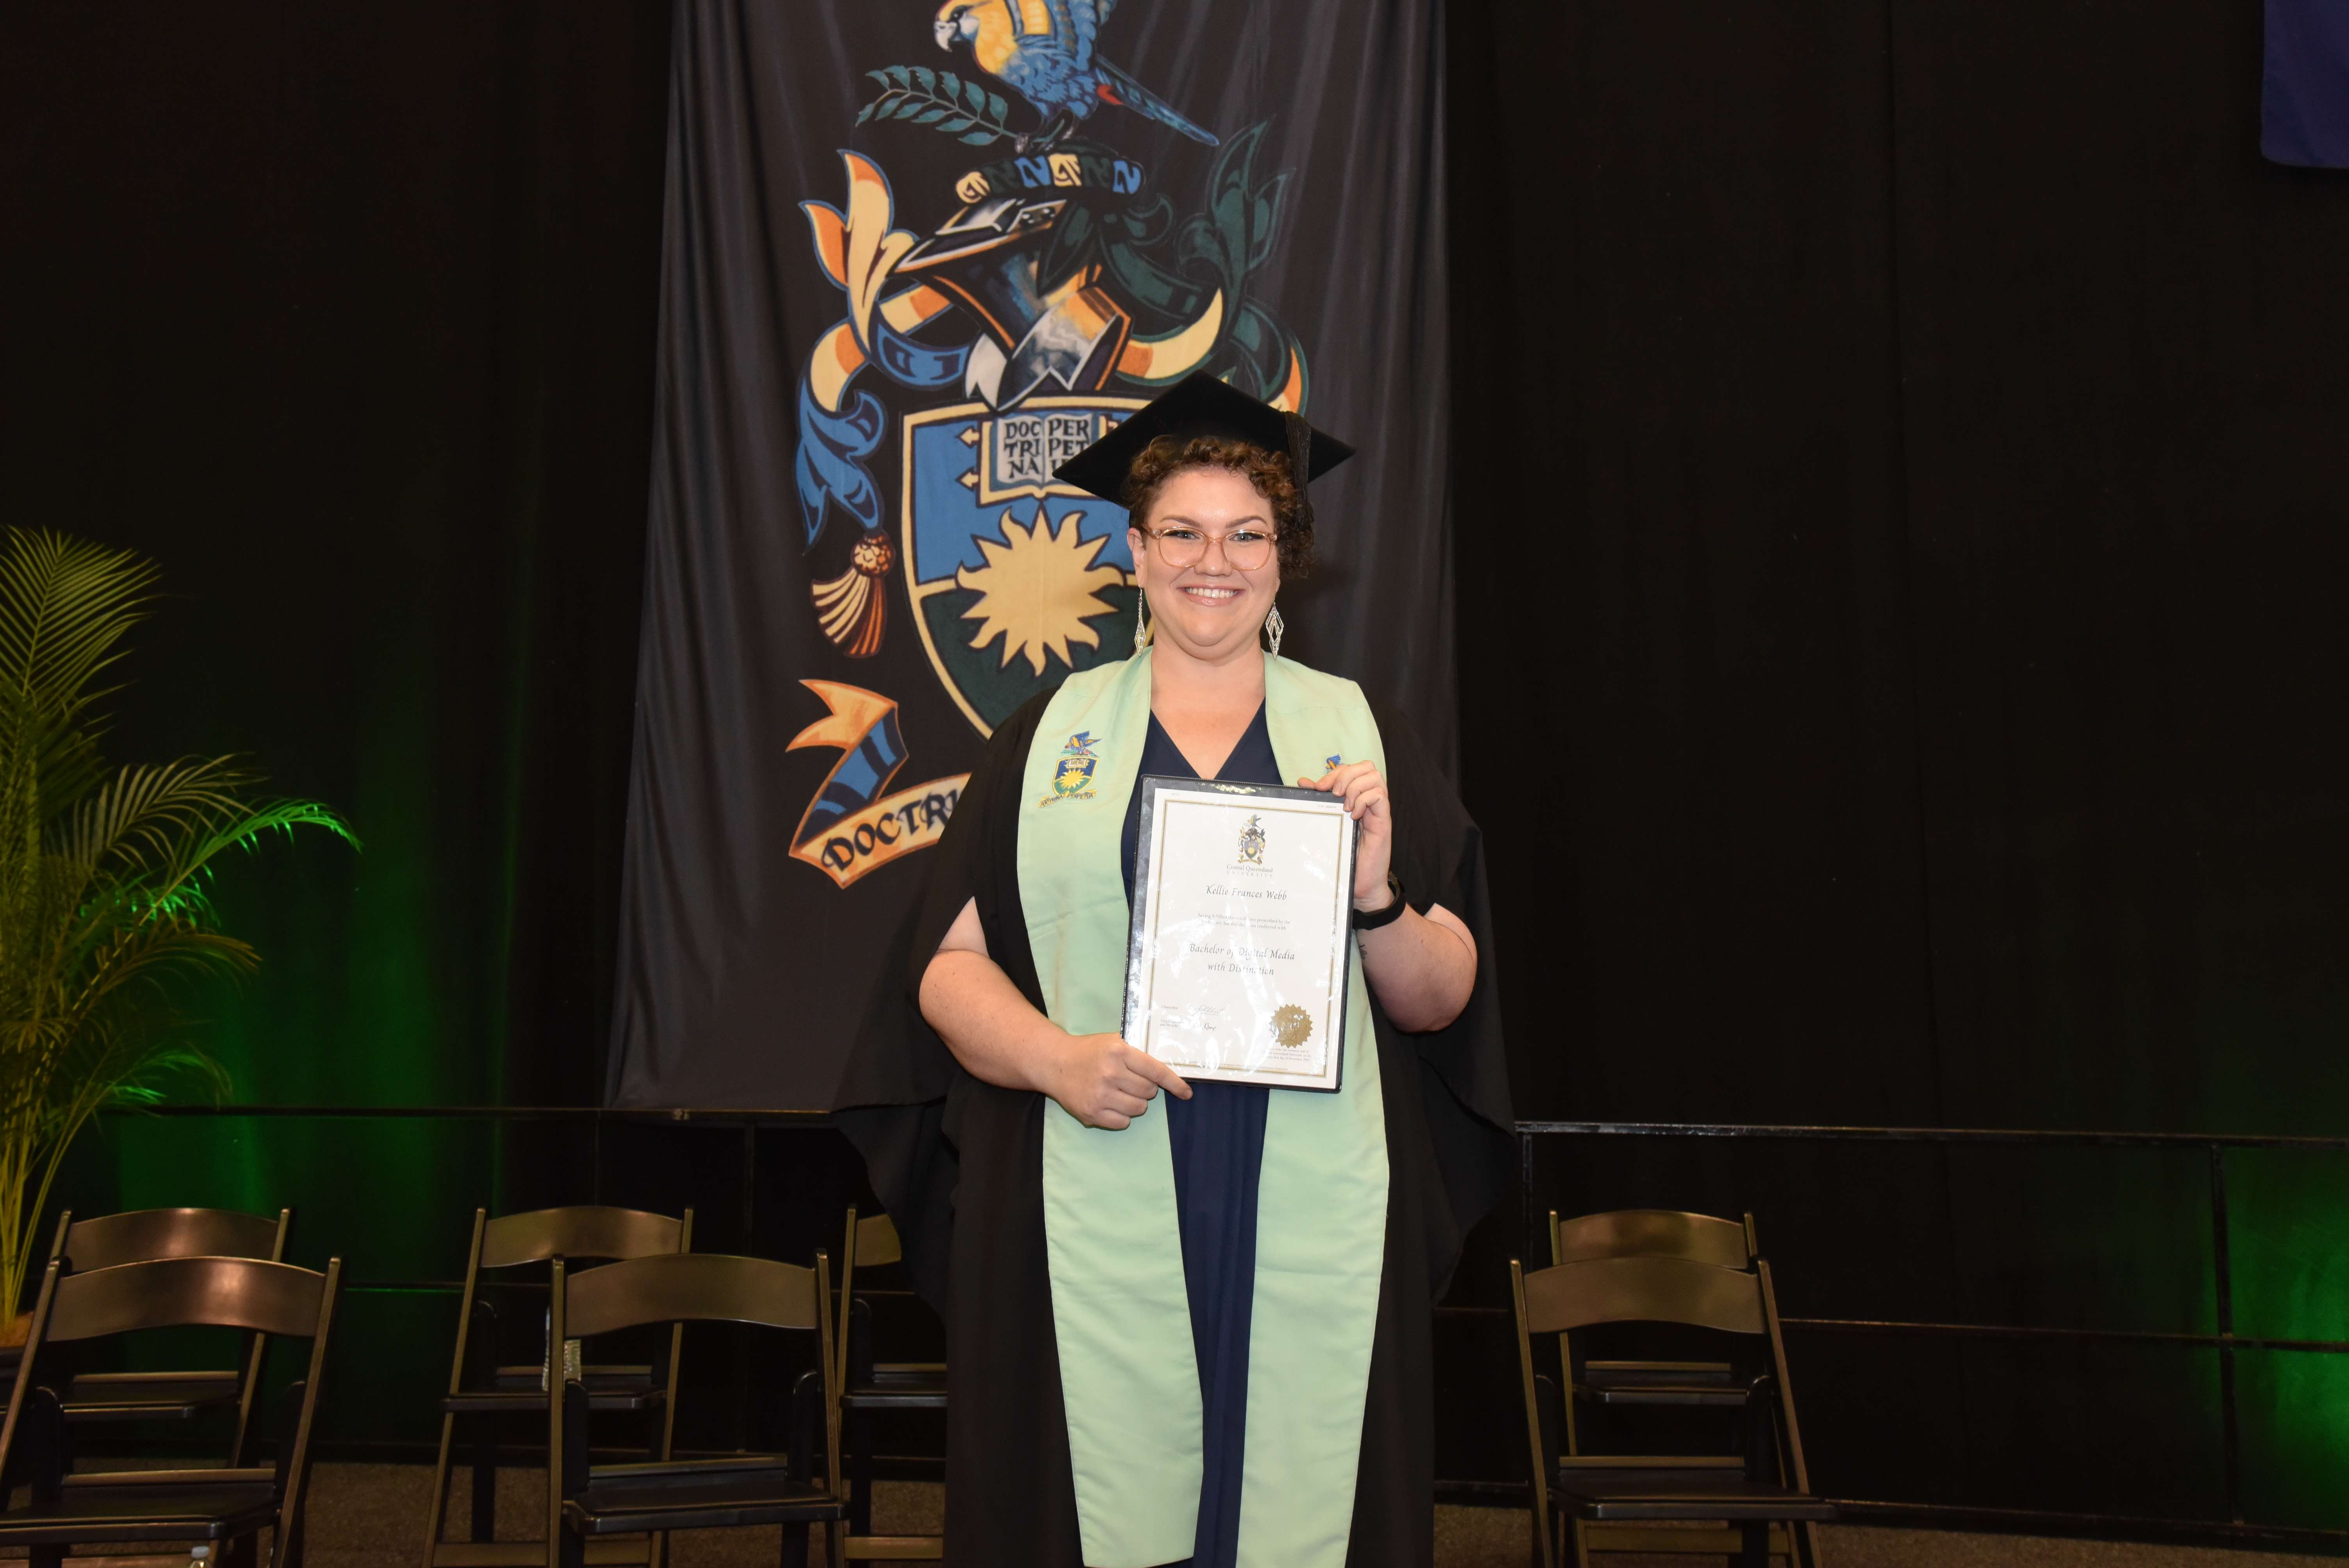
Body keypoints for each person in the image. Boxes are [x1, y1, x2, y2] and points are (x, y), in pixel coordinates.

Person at [837, 374, 1512, 1568]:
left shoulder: (1362, 733)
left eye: (1247, 533)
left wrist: (1374, 897)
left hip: (1305, 1185)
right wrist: (1055, 1058)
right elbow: (945, 972)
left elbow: (1445, 997)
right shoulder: (1046, 737)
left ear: (1283, 555)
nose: (1216, 560)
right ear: (1135, 553)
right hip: (1097, 1158)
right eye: (1183, 533)